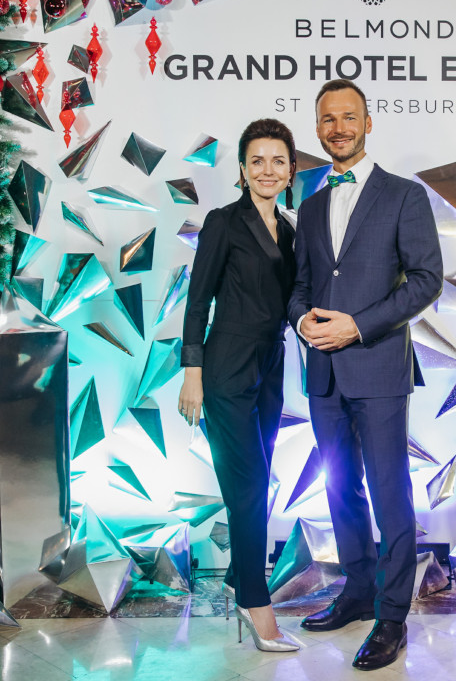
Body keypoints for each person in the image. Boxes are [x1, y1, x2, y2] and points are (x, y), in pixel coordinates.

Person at [288, 79, 443, 670]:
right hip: (323, 372)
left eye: (348, 117)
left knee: (388, 492)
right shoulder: (309, 206)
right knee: (340, 489)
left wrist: (356, 326)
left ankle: (392, 616)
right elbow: (300, 286)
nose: (338, 128)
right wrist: (302, 321)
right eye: (328, 119)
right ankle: (356, 593)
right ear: (317, 127)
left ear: (368, 123)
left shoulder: (404, 195)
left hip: (377, 368)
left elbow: (426, 280)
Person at [178, 118, 300, 653]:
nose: (267, 170)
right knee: (247, 486)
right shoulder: (223, 222)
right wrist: (193, 374)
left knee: (257, 481)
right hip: (225, 367)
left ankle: (236, 578)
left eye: (278, 161)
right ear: (244, 170)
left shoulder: (291, 231)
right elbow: (197, 301)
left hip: (271, 366)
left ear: (291, 170)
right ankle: (255, 599)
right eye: (257, 161)